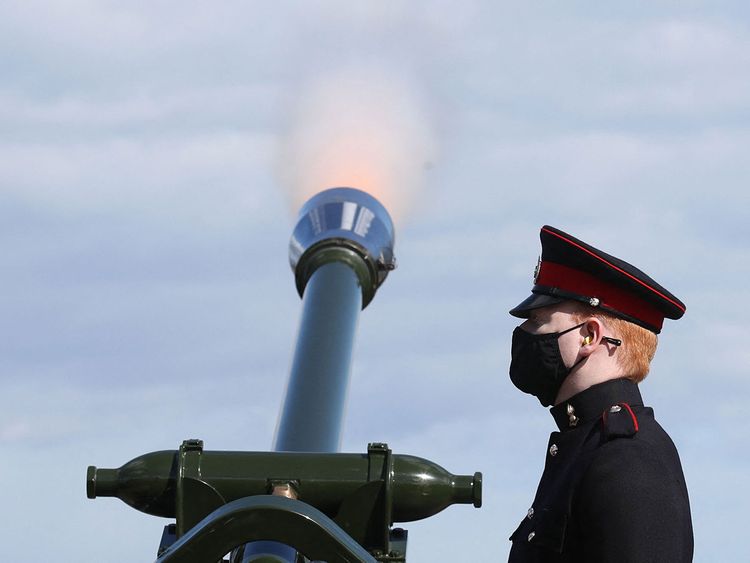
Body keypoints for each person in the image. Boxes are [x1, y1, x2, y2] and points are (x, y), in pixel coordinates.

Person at [507, 225, 693, 562]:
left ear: (589, 336)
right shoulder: (586, 446)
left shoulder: (628, 458)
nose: (523, 332)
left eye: (537, 320)